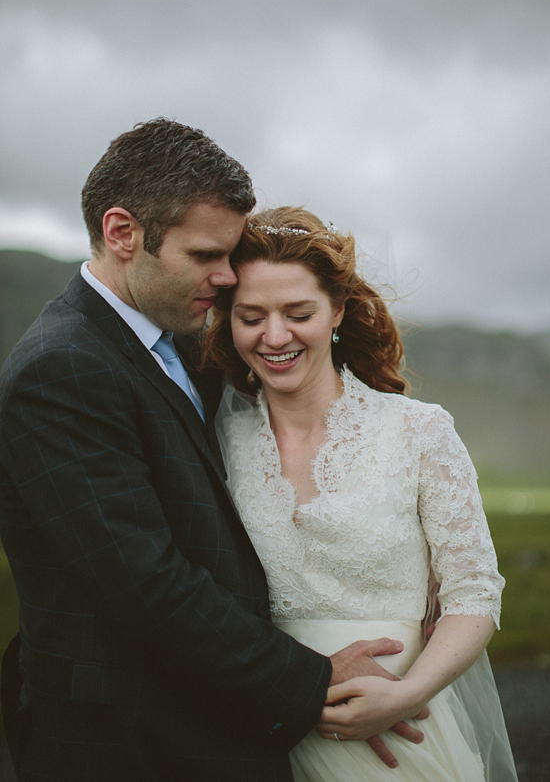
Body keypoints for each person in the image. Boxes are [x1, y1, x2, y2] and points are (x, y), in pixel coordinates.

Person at [0, 121, 420, 782]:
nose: (227, 278)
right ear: (122, 233)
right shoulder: (59, 372)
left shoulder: (187, 344)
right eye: (205, 256)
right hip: (129, 744)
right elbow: (146, 584)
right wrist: (312, 681)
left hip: (219, 721)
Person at [203, 206, 519, 781]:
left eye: (298, 313)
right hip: (261, 731)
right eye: (251, 316)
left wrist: (406, 694)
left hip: (401, 732)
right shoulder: (213, 442)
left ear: (337, 312)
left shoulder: (419, 431)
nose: (274, 337)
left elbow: (475, 592)